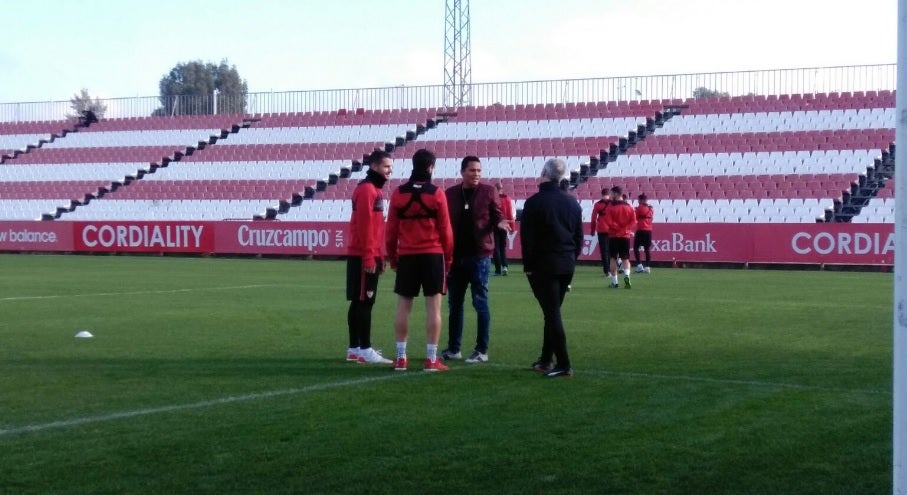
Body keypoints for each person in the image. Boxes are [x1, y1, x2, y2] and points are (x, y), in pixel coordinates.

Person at [385, 148, 454, 372]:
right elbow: (446, 231)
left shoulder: (398, 193)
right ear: (431, 167)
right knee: (433, 308)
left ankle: (400, 358)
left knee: (403, 307)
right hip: (433, 255)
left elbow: (390, 231)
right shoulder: (436, 194)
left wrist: (393, 258)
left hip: (407, 255)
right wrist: (449, 258)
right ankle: (431, 359)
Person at [442, 156, 511, 364]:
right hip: (456, 257)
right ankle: (454, 348)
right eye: (472, 170)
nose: (476, 174)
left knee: (480, 303)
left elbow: (497, 214)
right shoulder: (451, 194)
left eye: (479, 170)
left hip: (480, 256)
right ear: (462, 172)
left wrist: (500, 223)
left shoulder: (489, 191)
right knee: (455, 304)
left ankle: (481, 350)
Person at [520, 158, 583, 378]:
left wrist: (528, 267)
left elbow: (527, 240)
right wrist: (571, 258)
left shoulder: (534, 202)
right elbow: (579, 238)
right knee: (552, 312)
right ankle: (546, 358)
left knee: (552, 313)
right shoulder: (572, 202)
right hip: (566, 263)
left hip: (543, 265)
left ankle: (564, 364)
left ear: (544, 174)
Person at [346, 149, 394, 364]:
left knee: (360, 301)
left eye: (391, 168)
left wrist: (379, 255)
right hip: (363, 254)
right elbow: (365, 227)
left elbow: (375, 228)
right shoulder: (367, 190)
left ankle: (354, 348)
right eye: (386, 167)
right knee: (365, 302)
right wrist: (369, 257)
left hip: (368, 253)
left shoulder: (373, 189)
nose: (389, 172)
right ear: (374, 167)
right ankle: (364, 348)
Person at [604, 186, 637, 289]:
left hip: (613, 236)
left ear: (616, 194)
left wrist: (616, 229)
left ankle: (615, 282)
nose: (610, 195)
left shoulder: (610, 207)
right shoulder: (629, 207)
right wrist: (625, 230)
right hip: (625, 235)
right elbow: (634, 221)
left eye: (612, 193)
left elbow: (608, 221)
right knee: (625, 259)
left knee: (613, 258)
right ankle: (627, 276)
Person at [492, 182, 516, 276]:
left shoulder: (493, 199)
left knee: (496, 248)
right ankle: (505, 266)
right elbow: (510, 213)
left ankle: (498, 270)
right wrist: (512, 228)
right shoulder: (507, 199)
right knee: (503, 247)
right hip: (505, 225)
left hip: (495, 225)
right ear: (502, 189)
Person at [589, 188, 611, 278]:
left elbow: (593, 219)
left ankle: (607, 271)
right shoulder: (613, 204)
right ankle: (613, 269)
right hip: (612, 229)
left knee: (604, 251)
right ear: (609, 194)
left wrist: (592, 230)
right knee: (611, 251)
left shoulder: (597, 204)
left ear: (601, 194)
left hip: (602, 229)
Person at [634, 193, 654, 274]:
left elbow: (635, 217)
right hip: (649, 230)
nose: (638, 201)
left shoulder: (639, 208)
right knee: (647, 249)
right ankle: (647, 267)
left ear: (641, 200)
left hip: (640, 230)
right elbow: (651, 218)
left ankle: (639, 265)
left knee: (636, 248)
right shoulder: (651, 208)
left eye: (638, 200)